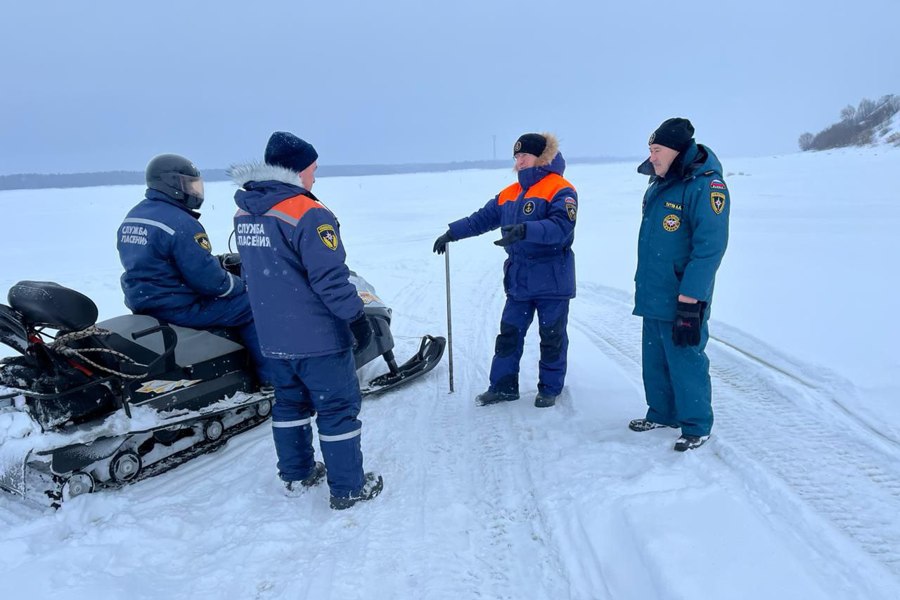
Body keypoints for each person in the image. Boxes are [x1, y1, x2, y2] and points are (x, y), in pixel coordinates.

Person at [228, 131, 382, 510]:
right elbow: (330, 278)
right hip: (317, 336)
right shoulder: (308, 212)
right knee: (337, 409)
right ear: (295, 171)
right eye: (312, 170)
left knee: (289, 405)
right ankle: (349, 488)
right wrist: (356, 318)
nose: (314, 178)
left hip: (273, 336)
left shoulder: (245, 210)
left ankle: (296, 475)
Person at [433, 132, 577, 408]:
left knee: (552, 337)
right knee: (509, 334)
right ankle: (502, 386)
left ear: (542, 157)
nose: (520, 161)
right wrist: (453, 233)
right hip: (519, 280)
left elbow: (561, 228)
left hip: (553, 279)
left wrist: (526, 230)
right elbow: (482, 218)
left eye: (525, 155)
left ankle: (550, 388)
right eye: (517, 156)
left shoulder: (561, 189)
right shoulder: (511, 193)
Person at [116, 153, 270, 385]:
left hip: (145, 301)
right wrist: (241, 285)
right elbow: (210, 282)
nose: (194, 191)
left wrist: (216, 261)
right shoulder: (180, 222)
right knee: (255, 306)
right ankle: (273, 380)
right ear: (170, 184)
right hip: (178, 306)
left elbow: (158, 261)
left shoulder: (135, 215)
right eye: (188, 184)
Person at [628, 118, 730, 451]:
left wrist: (692, 296)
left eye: (657, 150)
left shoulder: (706, 186)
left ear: (676, 150)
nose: (652, 156)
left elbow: (709, 246)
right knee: (654, 358)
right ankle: (661, 413)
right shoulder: (662, 183)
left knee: (685, 358)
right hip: (655, 289)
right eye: (651, 150)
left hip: (683, 294)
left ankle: (696, 424)